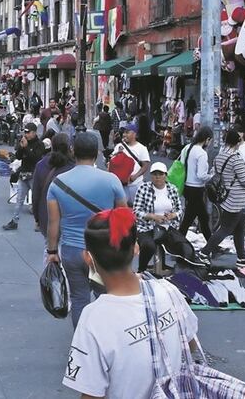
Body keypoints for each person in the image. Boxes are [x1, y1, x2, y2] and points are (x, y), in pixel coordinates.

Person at [63, 208, 199, 399]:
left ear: (88, 258)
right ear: (136, 248)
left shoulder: (93, 318)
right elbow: (189, 344)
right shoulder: (167, 291)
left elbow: (92, 393)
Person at [46, 132, 128, 327]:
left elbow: (53, 223)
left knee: (79, 299)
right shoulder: (111, 180)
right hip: (103, 250)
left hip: (72, 251)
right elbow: (124, 217)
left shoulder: (57, 183)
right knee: (106, 298)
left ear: (73, 151)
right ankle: (106, 342)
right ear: (97, 153)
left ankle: (83, 347)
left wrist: (51, 251)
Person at [194, 129, 245, 267]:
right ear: (237, 142)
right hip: (236, 199)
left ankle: (242, 257)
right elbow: (244, 179)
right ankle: (204, 253)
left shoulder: (220, 156)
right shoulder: (236, 159)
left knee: (240, 225)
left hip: (227, 196)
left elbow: (216, 173)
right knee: (225, 229)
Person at [133, 162, 190, 272]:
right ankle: (141, 270)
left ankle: (180, 271)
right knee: (148, 246)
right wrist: (153, 217)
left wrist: (173, 215)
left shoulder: (172, 189)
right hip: (147, 227)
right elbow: (136, 211)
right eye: (154, 174)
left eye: (160, 174)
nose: (157, 177)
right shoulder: (143, 188)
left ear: (166, 175)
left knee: (184, 247)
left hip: (168, 227)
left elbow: (179, 209)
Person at [4, 123, 46, 231]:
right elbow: (18, 156)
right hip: (23, 174)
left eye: (28, 132)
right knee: (19, 200)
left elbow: (35, 158)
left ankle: (40, 222)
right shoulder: (24, 142)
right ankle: (14, 221)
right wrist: (21, 147)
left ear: (34, 132)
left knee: (37, 200)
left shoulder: (39, 144)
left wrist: (26, 147)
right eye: (25, 132)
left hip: (34, 175)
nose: (26, 134)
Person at [32, 133, 74, 237]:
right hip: (70, 221)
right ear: (69, 148)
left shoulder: (41, 165)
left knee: (50, 249)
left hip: (47, 217)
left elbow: (36, 194)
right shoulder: (74, 167)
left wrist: (37, 217)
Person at [177, 126, 214, 240]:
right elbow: (201, 175)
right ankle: (177, 243)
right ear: (207, 139)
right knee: (192, 219)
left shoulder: (187, 148)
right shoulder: (202, 153)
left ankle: (211, 245)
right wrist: (212, 175)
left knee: (200, 218)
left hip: (186, 186)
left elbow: (181, 164)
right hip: (197, 189)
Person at [113, 123, 151, 204]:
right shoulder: (119, 146)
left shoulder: (142, 148)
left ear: (135, 134)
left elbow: (145, 166)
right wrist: (116, 154)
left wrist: (135, 176)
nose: (124, 135)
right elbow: (112, 163)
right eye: (123, 132)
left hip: (135, 185)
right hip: (121, 185)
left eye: (127, 132)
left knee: (137, 208)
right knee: (121, 209)